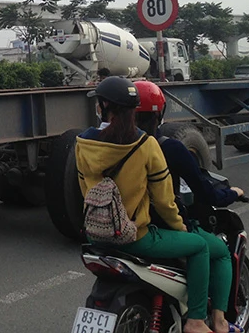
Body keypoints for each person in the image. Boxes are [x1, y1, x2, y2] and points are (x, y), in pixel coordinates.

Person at [75, 77, 218, 333]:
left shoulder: (83, 143)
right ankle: (196, 321)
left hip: (95, 236)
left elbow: (86, 189)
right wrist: (180, 228)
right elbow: (164, 200)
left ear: (103, 106)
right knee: (199, 247)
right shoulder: (145, 144)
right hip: (135, 237)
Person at [134, 80, 245, 333]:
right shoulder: (168, 148)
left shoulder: (110, 145)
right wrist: (232, 193)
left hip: (120, 226)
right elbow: (204, 192)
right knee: (219, 251)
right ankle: (212, 321)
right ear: (159, 114)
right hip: (158, 228)